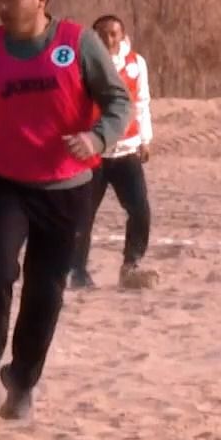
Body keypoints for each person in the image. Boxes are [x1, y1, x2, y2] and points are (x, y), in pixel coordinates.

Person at [0, 0, 132, 421]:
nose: (3, 6)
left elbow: (117, 99)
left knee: (47, 288)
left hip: (67, 188)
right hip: (7, 182)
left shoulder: (78, 43)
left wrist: (97, 137)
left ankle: (22, 379)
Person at [70, 14, 157, 291]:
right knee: (84, 214)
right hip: (93, 152)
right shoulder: (83, 61)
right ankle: (78, 271)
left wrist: (145, 138)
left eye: (114, 33)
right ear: (93, 35)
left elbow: (141, 101)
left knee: (140, 210)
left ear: (122, 35)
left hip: (126, 150)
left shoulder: (135, 63)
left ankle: (131, 264)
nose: (108, 39)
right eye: (102, 33)